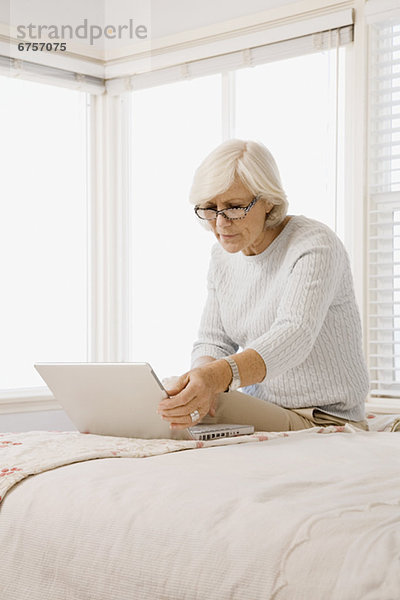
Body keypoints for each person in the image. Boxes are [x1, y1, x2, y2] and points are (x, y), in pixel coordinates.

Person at [157, 139, 369, 436]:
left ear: (268, 200)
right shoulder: (222, 257)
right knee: (173, 399)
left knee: (176, 412)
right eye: (209, 208)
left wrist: (216, 378)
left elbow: (294, 335)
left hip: (324, 418)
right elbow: (213, 341)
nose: (220, 223)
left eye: (234, 207)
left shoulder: (314, 245)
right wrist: (199, 377)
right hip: (268, 410)